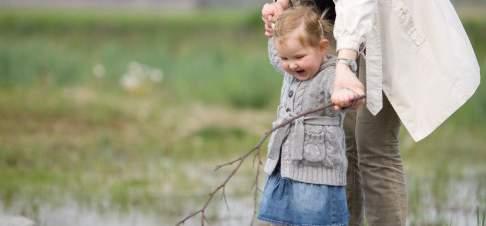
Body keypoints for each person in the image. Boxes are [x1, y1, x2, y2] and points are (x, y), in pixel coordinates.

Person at [261, 0, 480, 226]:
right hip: (336, 20)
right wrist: (283, 3)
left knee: (374, 143)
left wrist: (345, 64)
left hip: (381, 21)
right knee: (344, 141)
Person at [258, 6, 349, 226]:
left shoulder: (330, 72)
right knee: (287, 219)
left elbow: (342, 88)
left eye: (299, 57)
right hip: (288, 167)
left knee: (317, 219)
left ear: (322, 47)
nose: (291, 64)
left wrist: (345, 95)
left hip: (318, 173)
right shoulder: (289, 69)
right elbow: (276, 53)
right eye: (285, 58)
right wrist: (274, 22)